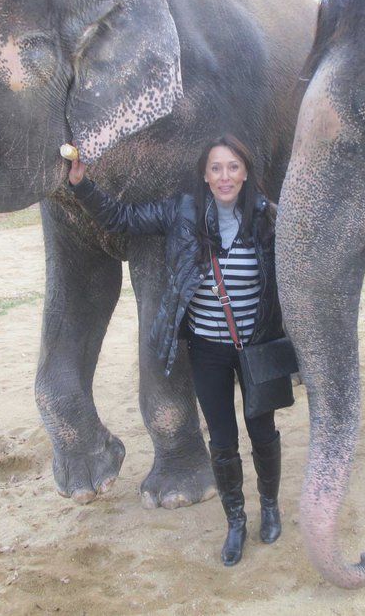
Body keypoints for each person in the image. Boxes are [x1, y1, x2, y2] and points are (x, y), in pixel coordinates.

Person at [67, 135, 283, 567]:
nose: (225, 176)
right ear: (205, 174)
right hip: (207, 350)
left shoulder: (265, 216)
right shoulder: (182, 210)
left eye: (233, 167)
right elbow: (121, 217)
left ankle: (270, 506)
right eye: (217, 168)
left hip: (255, 346)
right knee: (222, 441)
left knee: (262, 433)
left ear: (246, 173)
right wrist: (81, 186)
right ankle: (236, 521)